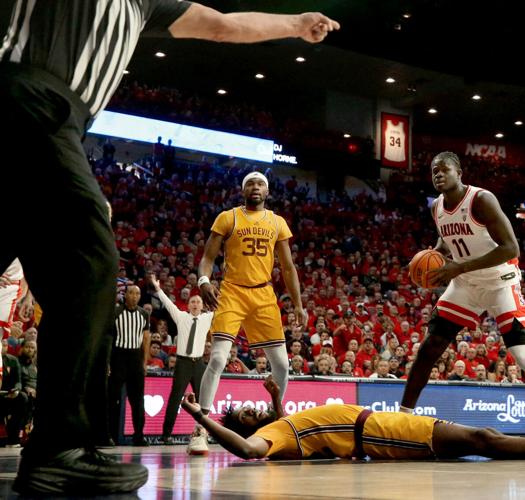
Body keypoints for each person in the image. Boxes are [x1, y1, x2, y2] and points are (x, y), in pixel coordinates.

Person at [0, 1, 338, 494]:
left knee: (80, 263)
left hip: (52, 119)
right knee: (89, 262)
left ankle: (61, 445)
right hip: (28, 98)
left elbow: (224, 26)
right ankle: (59, 447)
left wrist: (294, 24)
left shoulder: (145, 5)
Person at [398, 152, 525, 435]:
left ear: (460, 173)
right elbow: (447, 240)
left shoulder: (481, 200)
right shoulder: (437, 208)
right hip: (466, 284)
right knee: (431, 346)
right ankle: (402, 417)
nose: (438, 175)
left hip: (500, 282)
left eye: (444, 170)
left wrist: (459, 267)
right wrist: (432, 255)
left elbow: (510, 248)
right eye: (434, 172)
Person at [180, 376, 525, 462]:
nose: (250, 408)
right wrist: (202, 418)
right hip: (376, 433)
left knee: (484, 438)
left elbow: (286, 431)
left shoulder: (277, 427)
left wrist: (274, 401)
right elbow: (248, 449)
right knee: (482, 438)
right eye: (244, 414)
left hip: (376, 424)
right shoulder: (265, 440)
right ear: (244, 427)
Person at [193, 171, 308, 455]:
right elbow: (207, 258)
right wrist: (204, 281)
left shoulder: (277, 222)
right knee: (218, 357)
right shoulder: (228, 217)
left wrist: (298, 304)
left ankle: (273, 422)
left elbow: (289, 267)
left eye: (260, 184)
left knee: (281, 365)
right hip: (232, 290)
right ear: (243, 191)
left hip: (264, 293)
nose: (255, 187)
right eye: (250, 184)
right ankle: (200, 429)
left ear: (267, 192)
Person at [149, 274, 213, 444]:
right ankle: (166, 434)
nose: (195, 304)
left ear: (202, 306)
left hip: (199, 363)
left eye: (198, 302)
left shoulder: (207, 318)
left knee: (203, 400)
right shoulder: (181, 316)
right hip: (183, 363)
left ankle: (204, 433)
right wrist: (158, 289)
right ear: (188, 304)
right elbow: (169, 304)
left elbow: (221, 307)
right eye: (193, 301)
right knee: (175, 398)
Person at [108, 285, 150, 447]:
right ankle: (107, 435)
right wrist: (108, 362)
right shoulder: (116, 312)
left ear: (140, 296)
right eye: (131, 293)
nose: (134, 296)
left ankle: (138, 436)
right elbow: (109, 339)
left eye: (137, 293)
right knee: (112, 398)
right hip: (118, 356)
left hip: (135, 359)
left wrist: (144, 363)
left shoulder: (143, 314)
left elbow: (146, 340)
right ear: (125, 295)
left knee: (138, 400)